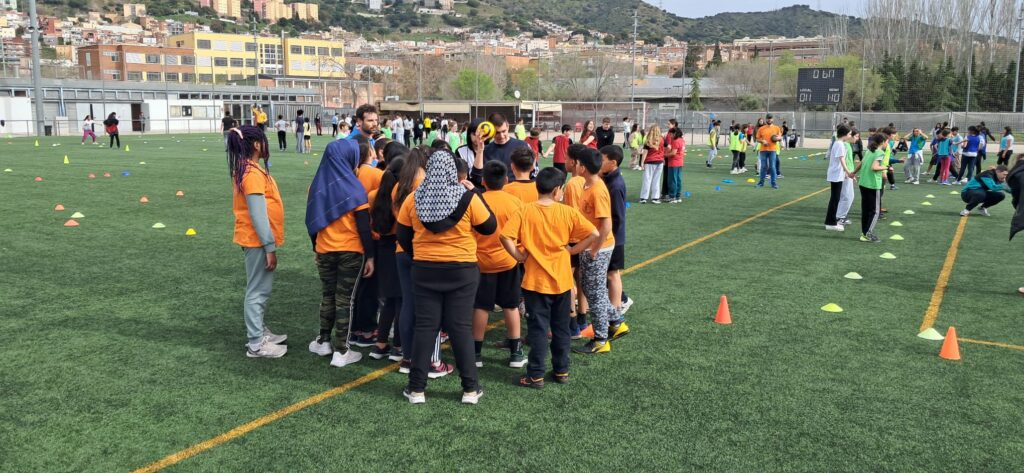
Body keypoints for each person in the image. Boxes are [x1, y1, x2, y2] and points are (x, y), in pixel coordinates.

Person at [397, 149, 496, 405]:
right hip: (462, 270)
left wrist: (421, 255)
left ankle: (416, 389)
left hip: (425, 269)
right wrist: (475, 193)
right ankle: (470, 389)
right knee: (460, 328)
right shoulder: (467, 197)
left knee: (425, 328)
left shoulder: (413, 199)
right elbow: (489, 227)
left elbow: (403, 237)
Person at [500, 167, 599, 388]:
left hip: (535, 284)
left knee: (538, 330)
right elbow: (593, 233)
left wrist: (518, 256)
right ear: (557, 190)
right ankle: (561, 371)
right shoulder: (567, 212)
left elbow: (504, 236)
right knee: (561, 329)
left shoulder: (525, 211)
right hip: (562, 282)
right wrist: (573, 250)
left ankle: (535, 375)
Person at [306, 138, 376, 368]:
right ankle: (342, 350)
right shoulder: (354, 187)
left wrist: (316, 247)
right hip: (351, 251)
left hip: (324, 249)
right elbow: (364, 227)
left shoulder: (316, 186)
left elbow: (312, 222)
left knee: (327, 296)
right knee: (345, 300)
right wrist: (370, 256)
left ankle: (323, 341)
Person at [227, 126, 287, 358]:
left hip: (256, 239)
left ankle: (259, 331)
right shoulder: (251, 174)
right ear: (256, 145)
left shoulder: (249, 169)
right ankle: (256, 343)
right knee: (258, 291)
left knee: (260, 289)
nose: (266, 144)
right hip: (256, 241)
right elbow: (258, 214)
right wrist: (269, 247)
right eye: (264, 140)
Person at [473, 161, 526, 369]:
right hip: (508, 260)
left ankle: (475, 354)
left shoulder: (476, 200)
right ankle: (516, 353)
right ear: (505, 180)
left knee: (480, 306)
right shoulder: (515, 202)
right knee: (511, 305)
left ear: (483, 181)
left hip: (481, 261)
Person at [572, 149, 617, 354]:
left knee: (595, 293)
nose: (575, 165)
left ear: (582, 167)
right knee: (592, 289)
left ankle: (601, 340)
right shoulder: (587, 185)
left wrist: (594, 251)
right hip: (591, 245)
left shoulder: (597, 190)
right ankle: (616, 321)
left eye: (577, 163)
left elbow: (606, 225)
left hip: (598, 247)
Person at [368, 157, 408, 362]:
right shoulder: (401, 197)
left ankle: (380, 344)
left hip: (381, 247)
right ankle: (399, 346)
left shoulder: (373, 195)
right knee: (401, 299)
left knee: (390, 299)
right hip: (398, 246)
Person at [599, 145, 631, 338]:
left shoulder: (616, 185)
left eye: (602, 159)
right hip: (611, 237)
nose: (599, 162)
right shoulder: (608, 178)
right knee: (609, 275)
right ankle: (616, 309)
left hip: (614, 239)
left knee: (612, 275)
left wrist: (607, 236)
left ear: (613, 163)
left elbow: (618, 217)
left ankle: (617, 313)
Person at [856, 133, 887, 243]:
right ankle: (868, 234)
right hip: (873, 184)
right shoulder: (880, 152)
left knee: (866, 210)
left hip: (863, 183)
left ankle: (864, 233)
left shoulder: (869, 151)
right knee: (875, 211)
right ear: (882, 142)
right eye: (887, 142)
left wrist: (853, 172)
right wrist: (886, 167)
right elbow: (874, 167)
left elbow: (861, 163)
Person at [483, 113, 531, 180]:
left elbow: (533, 172)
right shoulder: (486, 150)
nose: (501, 136)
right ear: (491, 131)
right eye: (497, 133)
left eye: (504, 131)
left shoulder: (523, 146)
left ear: (508, 126)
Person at [825, 125, 854, 231]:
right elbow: (842, 161)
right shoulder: (840, 144)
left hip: (837, 175)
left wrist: (846, 173)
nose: (850, 135)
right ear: (845, 134)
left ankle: (831, 222)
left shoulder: (839, 143)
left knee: (835, 199)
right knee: (835, 199)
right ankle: (831, 223)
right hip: (836, 175)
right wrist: (848, 172)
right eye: (849, 134)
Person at [835, 129, 859, 228]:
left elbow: (848, 161)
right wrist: (847, 172)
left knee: (847, 196)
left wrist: (852, 173)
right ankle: (839, 217)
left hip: (849, 173)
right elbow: (842, 160)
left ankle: (840, 216)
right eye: (856, 136)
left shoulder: (848, 145)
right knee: (847, 196)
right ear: (850, 136)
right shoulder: (844, 145)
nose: (857, 139)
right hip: (846, 174)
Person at [755, 114, 782, 189]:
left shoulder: (777, 128)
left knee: (772, 167)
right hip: (763, 150)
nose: (769, 119)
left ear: (773, 119)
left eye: (770, 118)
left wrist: (778, 139)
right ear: (766, 119)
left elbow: (780, 137)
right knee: (763, 167)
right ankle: (761, 183)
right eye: (768, 118)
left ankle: (773, 183)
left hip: (772, 150)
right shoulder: (761, 128)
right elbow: (757, 139)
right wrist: (762, 141)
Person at [639, 125, 664, 204]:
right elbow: (668, 147)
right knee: (656, 180)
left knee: (647, 180)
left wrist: (642, 162)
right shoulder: (662, 139)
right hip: (660, 162)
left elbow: (645, 152)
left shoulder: (648, 139)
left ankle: (643, 198)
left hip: (650, 162)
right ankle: (655, 198)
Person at [664, 128, 685, 203]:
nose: (670, 136)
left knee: (672, 180)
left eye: (671, 134)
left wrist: (664, 155)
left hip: (674, 163)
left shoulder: (675, 141)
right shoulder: (682, 140)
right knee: (678, 179)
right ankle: (678, 196)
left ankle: (672, 197)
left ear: (675, 133)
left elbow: (673, 153)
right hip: (680, 162)